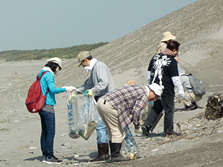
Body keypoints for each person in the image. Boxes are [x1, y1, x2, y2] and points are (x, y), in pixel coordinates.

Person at [97, 83, 162, 162]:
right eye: (155, 96)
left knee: (111, 130)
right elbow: (136, 111)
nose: (154, 99)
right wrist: (137, 126)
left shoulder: (138, 88)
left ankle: (114, 154)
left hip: (101, 102)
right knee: (118, 131)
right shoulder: (144, 94)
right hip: (110, 105)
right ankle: (115, 155)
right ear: (151, 91)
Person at [77, 51, 115, 162]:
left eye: (82, 64)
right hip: (101, 99)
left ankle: (103, 153)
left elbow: (104, 83)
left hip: (106, 99)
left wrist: (92, 91)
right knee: (102, 125)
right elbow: (87, 85)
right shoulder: (94, 69)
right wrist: (75, 90)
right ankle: (106, 152)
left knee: (101, 126)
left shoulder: (99, 66)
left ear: (85, 60)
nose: (82, 66)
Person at [142, 40, 184, 137]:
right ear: (174, 50)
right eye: (177, 50)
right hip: (166, 88)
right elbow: (175, 78)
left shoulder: (155, 57)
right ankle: (168, 130)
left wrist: (150, 85)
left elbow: (149, 73)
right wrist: (180, 90)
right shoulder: (172, 60)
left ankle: (147, 125)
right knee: (169, 110)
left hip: (154, 88)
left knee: (157, 107)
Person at [38, 57, 75, 164]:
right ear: (55, 66)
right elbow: (53, 90)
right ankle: (49, 156)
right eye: (58, 67)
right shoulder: (49, 74)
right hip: (47, 105)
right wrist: (66, 88)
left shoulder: (41, 73)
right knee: (50, 131)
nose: (58, 70)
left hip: (40, 105)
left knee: (44, 130)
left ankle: (45, 154)